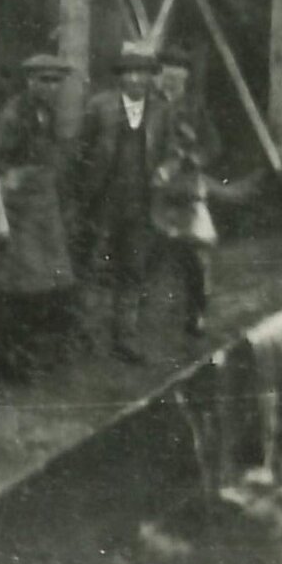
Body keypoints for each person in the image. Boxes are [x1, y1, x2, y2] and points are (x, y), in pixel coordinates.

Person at [0, 55, 79, 381]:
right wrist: (0, 217)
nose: (50, 87)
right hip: (15, 207)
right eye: (43, 80)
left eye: (55, 81)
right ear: (29, 81)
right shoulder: (11, 115)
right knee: (12, 287)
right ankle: (10, 360)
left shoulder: (46, 113)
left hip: (41, 207)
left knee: (44, 284)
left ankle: (30, 355)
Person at [69, 42, 168, 364]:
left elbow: (170, 151)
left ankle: (125, 339)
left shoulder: (160, 111)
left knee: (133, 268)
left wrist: (166, 170)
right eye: (131, 73)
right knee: (92, 264)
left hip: (140, 202)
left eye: (143, 73)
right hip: (103, 199)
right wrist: (83, 190)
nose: (137, 79)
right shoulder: (100, 106)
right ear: (120, 77)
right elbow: (80, 151)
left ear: (151, 77)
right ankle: (83, 334)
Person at [152, 51, 222, 340]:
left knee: (195, 253)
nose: (171, 83)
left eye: (178, 78)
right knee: (148, 252)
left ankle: (197, 312)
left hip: (186, 191)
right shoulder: (147, 106)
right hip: (152, 189)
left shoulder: (195, 108)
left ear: (186, 79)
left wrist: (194, 157)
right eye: (167, 76)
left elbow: (213, 146)